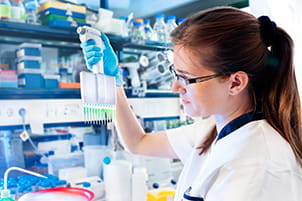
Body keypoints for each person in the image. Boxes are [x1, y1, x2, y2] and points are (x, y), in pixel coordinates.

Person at [80, 6, 302, 201]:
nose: (175, 87)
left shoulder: (260, 167)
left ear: (235, 83)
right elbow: (139, 142)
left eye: (186, 78)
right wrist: (113, 80)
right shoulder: (215, 129)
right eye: (175, 73)